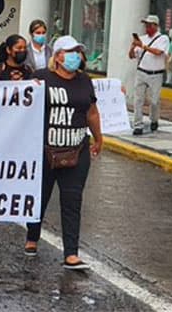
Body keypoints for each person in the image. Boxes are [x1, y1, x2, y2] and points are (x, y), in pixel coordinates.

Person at [25, 35, 102, 271]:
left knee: (72, 199)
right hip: (45, 151)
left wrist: (98, 137)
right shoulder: (40, 78)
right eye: (70, 52)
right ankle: (32, 236)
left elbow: (91, 112)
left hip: (77, 151)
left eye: (78, 52)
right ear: (57, 56)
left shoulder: (85, 81)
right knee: (40, 197)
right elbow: (22, 106)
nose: (76, 56)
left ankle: (71, 253)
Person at [128, 14, 170, 136]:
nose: (147, 27)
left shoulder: (163, 39)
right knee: (138, 100)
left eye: (149, 25)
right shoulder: (142, 39)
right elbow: (131, 56)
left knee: (154, 101)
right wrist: (133, 46)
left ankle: (154, 119)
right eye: (146, 25)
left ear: (156, 26)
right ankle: (138, 125)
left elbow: (158, 52)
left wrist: (143, 46)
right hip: (141, 71)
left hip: (155, 74)